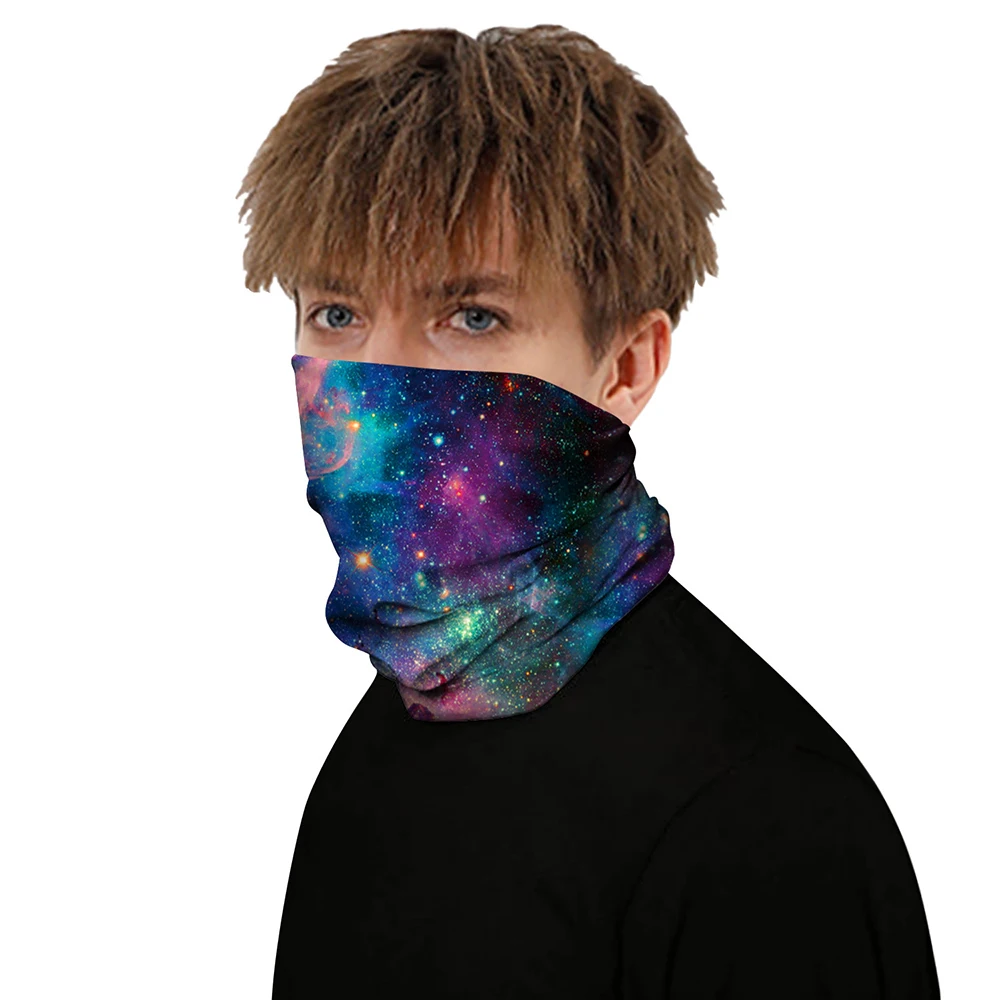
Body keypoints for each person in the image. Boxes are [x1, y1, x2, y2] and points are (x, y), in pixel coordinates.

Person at [236, 24, 940, 998]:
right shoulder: (400, 724)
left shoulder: (762, 822)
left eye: (471, 317)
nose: (374, 385)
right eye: (337, 313)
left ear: (627, 366)